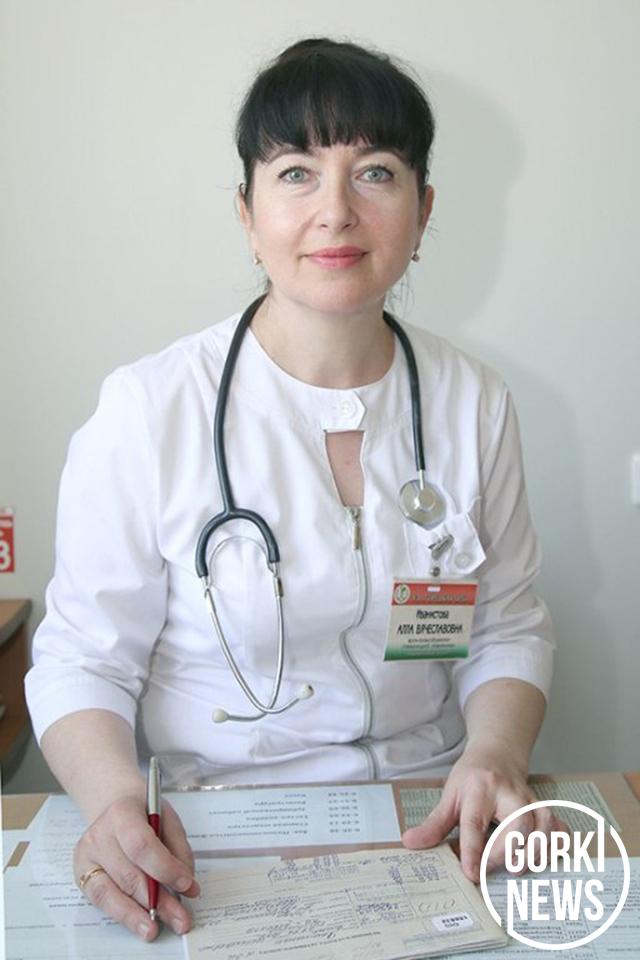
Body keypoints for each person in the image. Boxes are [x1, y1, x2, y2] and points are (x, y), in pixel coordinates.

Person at [25, 37, 557, 942]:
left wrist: (495, 754)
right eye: (297, 173)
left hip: (429, 818)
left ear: (424, 210)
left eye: (376, 172)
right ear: (247, 211)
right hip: (213, 833)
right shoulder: (149, 410)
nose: (336, 211)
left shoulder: (474, 401)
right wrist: (115, 802)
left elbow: (505, 626)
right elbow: (84, 659)